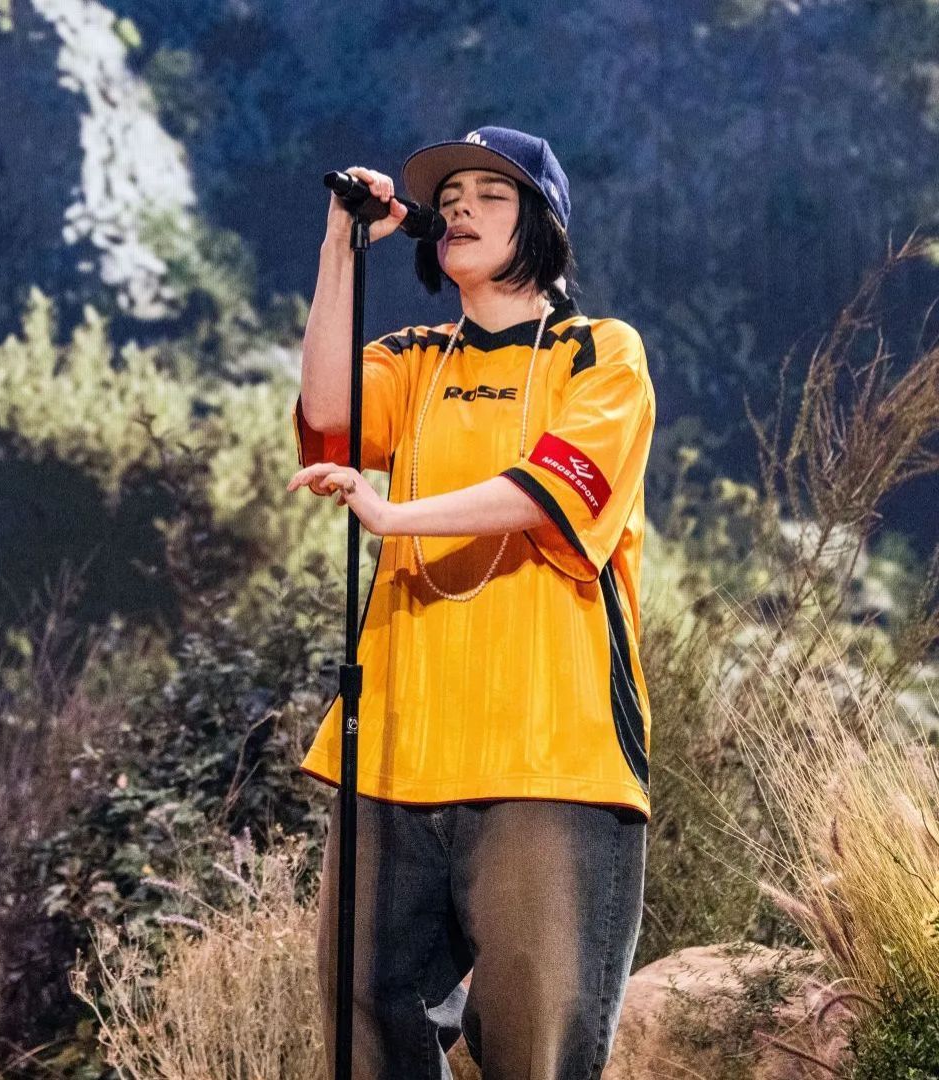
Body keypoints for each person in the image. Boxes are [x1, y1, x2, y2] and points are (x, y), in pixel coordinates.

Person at [288, 127, 654, 1077]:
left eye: (491, 194)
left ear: (543, 223)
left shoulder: (599, 354)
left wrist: (395, 513)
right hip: (399, 748)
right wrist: (339, 246)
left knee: (539, 1043)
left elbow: (550, 492)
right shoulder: (415, 357)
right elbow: (328, 419)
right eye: (449, 196)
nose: (458, 207)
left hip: (549, 758)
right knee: (364, 1026)